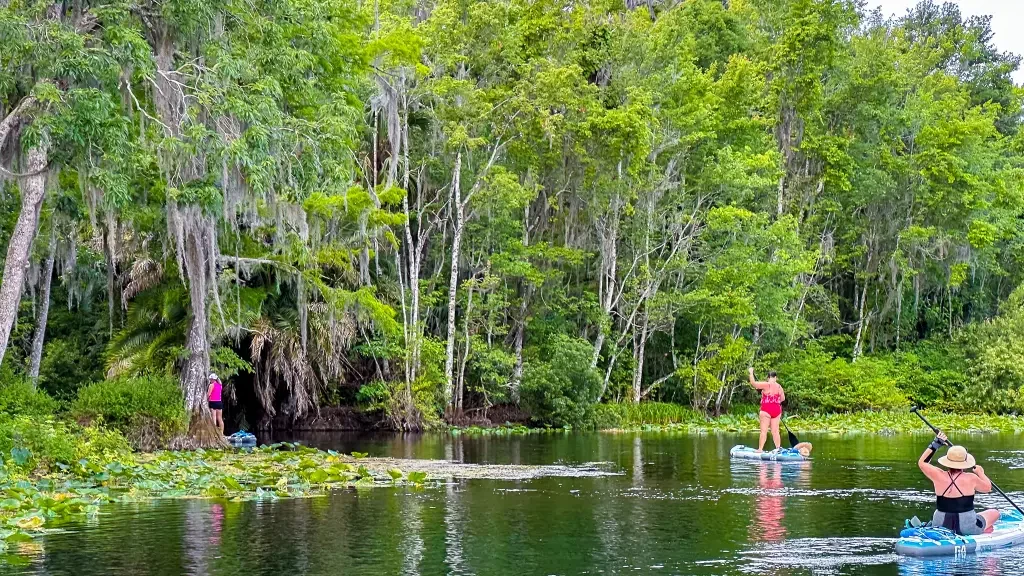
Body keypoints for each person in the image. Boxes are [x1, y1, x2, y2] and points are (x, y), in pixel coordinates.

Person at [918, 431, 1000, 535]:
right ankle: (983, 529)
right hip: (967, 527)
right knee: (995, 513)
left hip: (939, 525)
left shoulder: (938, 475)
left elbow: (922, 462)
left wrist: (936, 443)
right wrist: (981, 473)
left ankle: (982, 528)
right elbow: (988, 487)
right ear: (965, 463)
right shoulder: (971, 478)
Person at [748, 367, 784, 453]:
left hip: (766, 410)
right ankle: (778, 448)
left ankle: (760, 449)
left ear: (768, 378)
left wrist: (751, 372)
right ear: (775, 378)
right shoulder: (779, 387)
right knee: (775, 431)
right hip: (777, 410)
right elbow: (782, 399)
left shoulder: (766, 384)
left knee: (763, 431)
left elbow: (753, 383)